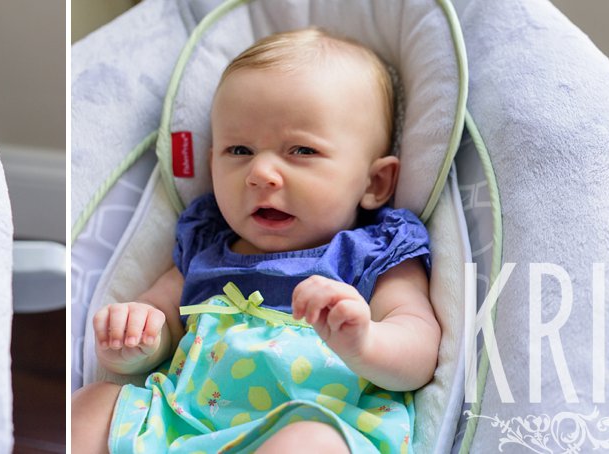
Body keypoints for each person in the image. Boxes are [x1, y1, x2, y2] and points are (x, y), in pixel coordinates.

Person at [68, 27, 438, 454]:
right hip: (184, 425)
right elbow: (162, 320)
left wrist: (366, 341)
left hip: (317, 421)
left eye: (301, 151)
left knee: (311, 444)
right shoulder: (205, 247)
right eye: (239, 150)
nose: (260, 173)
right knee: (94, 405)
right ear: (211, 163)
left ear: (375, 182)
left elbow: (420, 351)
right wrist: (135, 340)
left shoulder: (373, 253)